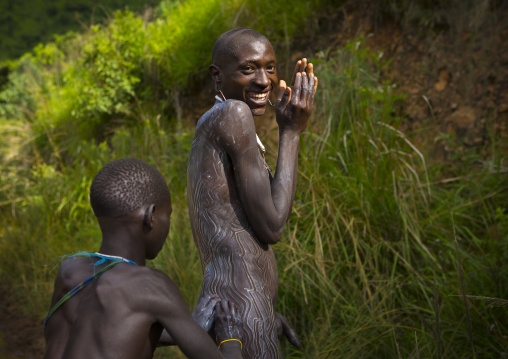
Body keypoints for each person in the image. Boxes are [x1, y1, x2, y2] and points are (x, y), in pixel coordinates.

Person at [187, 28, 318, 358]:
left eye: (270, 67)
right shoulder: (233, 113)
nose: (264, 80)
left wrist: (263, 309)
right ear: (217, 76)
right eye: (248, 69)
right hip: (241, 302)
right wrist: (291, 133)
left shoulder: (217, 120)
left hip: (239, 301)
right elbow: (272, 227)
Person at [43, 157, 243, 359]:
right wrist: (230, 339)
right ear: (151, 216)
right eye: (169, 215)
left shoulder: (69, 270)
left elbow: (101, 336)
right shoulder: (150, 286)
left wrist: (184, 327)